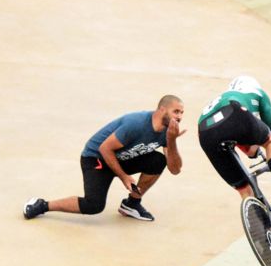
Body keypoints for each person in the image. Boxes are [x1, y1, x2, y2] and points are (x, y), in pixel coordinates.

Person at [24, 95, 186, 221]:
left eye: (182, 113)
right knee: (93, 205)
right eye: (176, 111)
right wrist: (124, 176)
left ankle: (131, 205)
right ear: (162, 110)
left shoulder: (168, 131)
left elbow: (175, 169)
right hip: (96, 158)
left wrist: (171, 140)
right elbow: (105, 148)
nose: (179, 116)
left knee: (157, 161)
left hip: (124, 157)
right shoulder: (136, 124)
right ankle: (42, 205)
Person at [198, 76, 271, 208]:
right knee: (270, 142)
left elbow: (250, 150)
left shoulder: (224, 97)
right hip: (233, 111)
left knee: (244, 189)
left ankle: (262, 226)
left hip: (204, 131)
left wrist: (253, 150)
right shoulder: (257, 92)